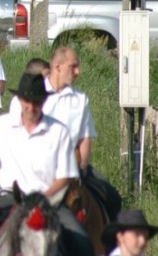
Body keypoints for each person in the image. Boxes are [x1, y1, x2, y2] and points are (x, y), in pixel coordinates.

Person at [0, 73, 91, 256]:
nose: (31, 107)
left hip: (49, 202)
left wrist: (41, 200)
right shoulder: (1, 126)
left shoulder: (58, 131)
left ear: (44, 102)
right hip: (9, 199)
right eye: (27, 102)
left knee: (82, 241)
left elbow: (65, 177)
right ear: (20, 100)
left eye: (37, 102)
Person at [9, 47, 122, 219]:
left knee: (113, 199)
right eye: (73, 66)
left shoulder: (79, 99)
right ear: (58, 67)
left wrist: (81, 168)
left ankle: (110, 244)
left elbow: (84, 138)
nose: (78, 72)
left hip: (72, 166)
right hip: (35, 166)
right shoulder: (32, 95)